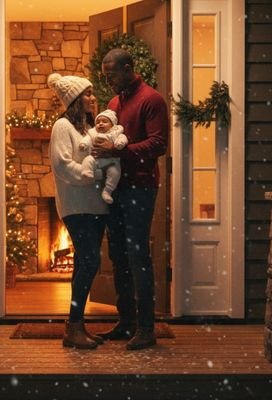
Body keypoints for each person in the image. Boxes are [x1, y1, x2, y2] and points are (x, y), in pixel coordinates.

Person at [92, 48, 169, 350]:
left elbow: (159, 144)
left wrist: (119, 152)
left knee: (138, 256)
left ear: (128, 68)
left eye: (111, 73)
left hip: (140, 188)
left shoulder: (152, 100)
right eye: (105, 74)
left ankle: (146, 329)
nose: (107, 79)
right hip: (116, 189)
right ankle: (126, 323)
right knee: (118, 257)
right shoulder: (113, 103)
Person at [47, 72, 107, 349]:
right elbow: (62, 165)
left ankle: (76, 327)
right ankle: (73, 325)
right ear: (74, 99)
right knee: (91, 261)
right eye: (87, 94)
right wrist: (88, 175)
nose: (93, 98)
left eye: (92, 93)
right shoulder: (62, 127)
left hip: (95, 206)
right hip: (75, 206)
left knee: (85, 263)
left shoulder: (88, 128)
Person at [79, 109, 128, 204]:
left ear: (112, 124)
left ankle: (107, 191)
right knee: (88, 159)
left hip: (111, 162)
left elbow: (123, 138)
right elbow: (88, 138)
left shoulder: (116, 133)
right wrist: (84, 144)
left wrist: (119, 143)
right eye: (98, 122)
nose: (100, 124)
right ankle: (87, 172)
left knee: (115, 172)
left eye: (104, 121)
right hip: (96, 159)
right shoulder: (93, 133)